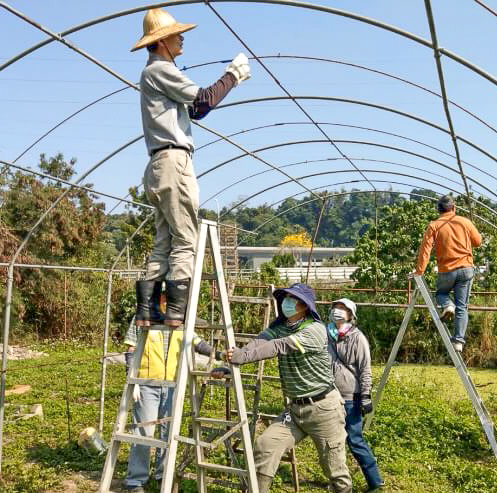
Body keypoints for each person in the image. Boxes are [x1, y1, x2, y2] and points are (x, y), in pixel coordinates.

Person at [131, 8, 251, 328]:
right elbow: (206, 99)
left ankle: (147, 311)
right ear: (161, 42)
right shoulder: (161, 69)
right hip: (174, 160)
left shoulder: (152, 74)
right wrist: (233, 75)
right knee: (186, 239)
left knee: (163, 241)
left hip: (157, 165)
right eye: (176, 34)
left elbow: (196, 110)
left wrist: (227, 80)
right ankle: (175, 312)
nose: (182, 37)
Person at [223, 283, 352, 493]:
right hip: (294, 411)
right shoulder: (280, 328)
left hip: (324, 409)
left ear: (304, 306)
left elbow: (278, 346)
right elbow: (258, 343)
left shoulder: (315, 330)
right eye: (285, 298)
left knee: (335, 470)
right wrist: (231, 362)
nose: (286, 303)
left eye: (292, 299)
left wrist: (243, 356)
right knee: (265, 445)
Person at [122, 314, 220, 492]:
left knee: (168, 434)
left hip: (173, 385)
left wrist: (218, 354)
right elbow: (131, 348)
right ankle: (135, 480)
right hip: (146, 383)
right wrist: (132, 379)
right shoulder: (143, 316)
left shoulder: (182, 319)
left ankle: (162, 476)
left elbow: (198, 343)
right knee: (144, 432)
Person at [411, 195, 482, 352]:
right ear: (454, 208)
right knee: (462, 306)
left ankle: (448, 306)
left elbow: (425, 250)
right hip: (466, 269)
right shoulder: (465, 222)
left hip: (447, 270)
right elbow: (478, 242)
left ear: (439, 210)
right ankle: (458, 342)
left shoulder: (434, 225)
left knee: (441, 294)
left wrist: (420, 271)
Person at [327, 298, 384, 492]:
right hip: (330, 396)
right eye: (336, 307)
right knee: (333, 441)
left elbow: (365, 369)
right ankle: (339, 481)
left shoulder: (357, 337)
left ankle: (375, 482)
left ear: (351, 315)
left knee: (355, 439)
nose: (338, 311)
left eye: (343, 309)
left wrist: (366, 396)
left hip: (352, 397)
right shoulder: (328, 334)